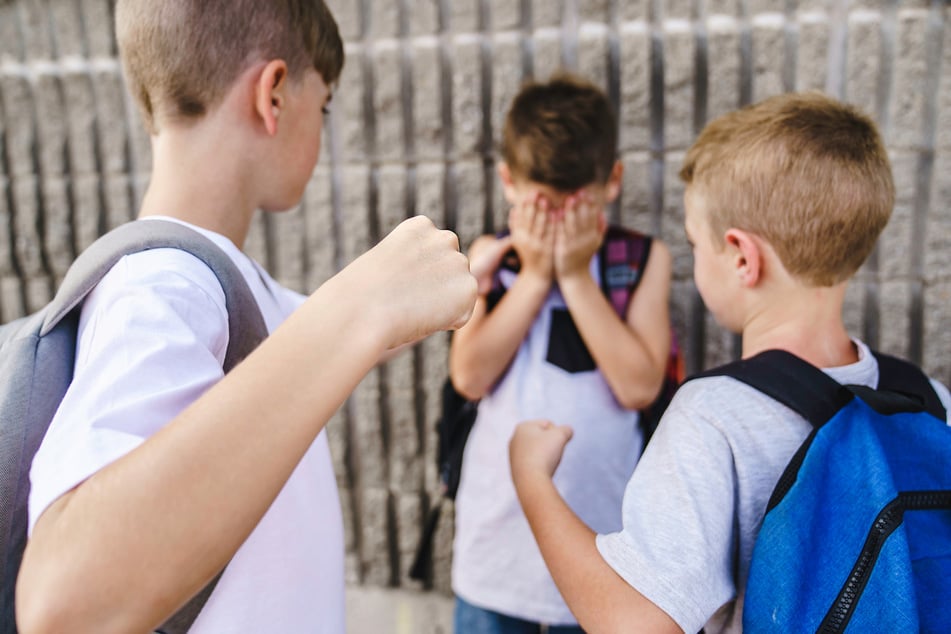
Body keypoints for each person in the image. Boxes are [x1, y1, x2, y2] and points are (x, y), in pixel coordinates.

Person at [14, 2, 477, 632]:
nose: (324, 123)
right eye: (326, 104)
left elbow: (293, 338)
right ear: (275, 94)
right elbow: (65, 604)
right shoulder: (164, 286)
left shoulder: (225, 283)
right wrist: (365, 305)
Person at [507, 90, 951, 633]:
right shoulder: (928, 399)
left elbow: (636, 625)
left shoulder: (711, 413)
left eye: (696, 243)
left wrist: (532, 480)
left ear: (742, 256)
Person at [449, 73, 673, 632]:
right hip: (496, 551)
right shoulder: (490, 261)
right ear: (508, 183)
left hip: (604, 550)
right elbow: (469, 376)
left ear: (612, 182)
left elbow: (639, 386)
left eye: (578, 207)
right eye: (543, 206)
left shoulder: (641, 260)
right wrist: (533, 279)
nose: (559, 223)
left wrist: (574, 276)